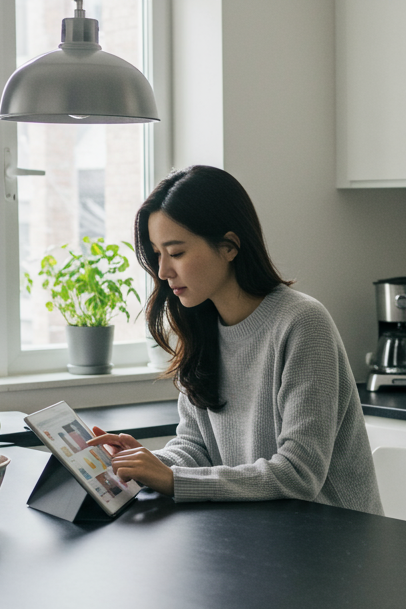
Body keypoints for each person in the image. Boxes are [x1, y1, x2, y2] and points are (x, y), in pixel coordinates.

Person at [87, 166, 383, 515]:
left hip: (335, 545)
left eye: (176, 252)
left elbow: (300, 475)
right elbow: (197, 446)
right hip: (259, 533)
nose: (164, 271)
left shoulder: (302, 323)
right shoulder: (199, 325)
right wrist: (147, 465)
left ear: (229, 246)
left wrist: (172, 479)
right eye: (157, 254)